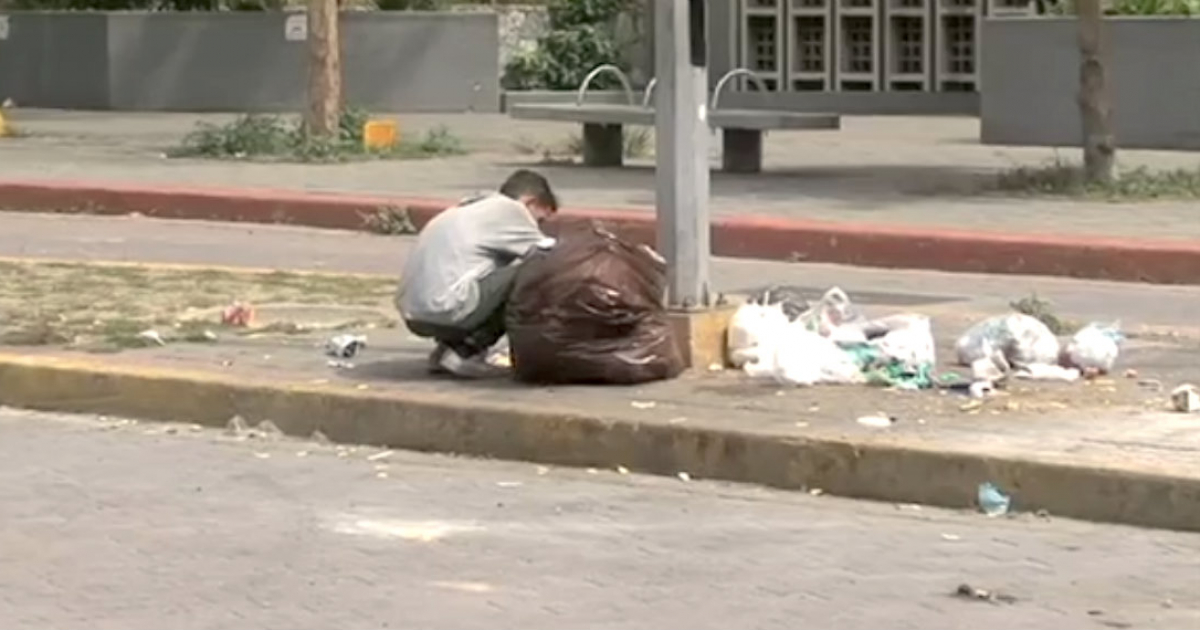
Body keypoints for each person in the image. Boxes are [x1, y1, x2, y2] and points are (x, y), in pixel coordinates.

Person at [397, 169, 558, 378]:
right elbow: (552, 255)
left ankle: (445, 351)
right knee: (535, 270)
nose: (536, 226)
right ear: (529, 202)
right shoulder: (509, 211)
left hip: (415, 314)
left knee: (484, 274)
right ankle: (465, 352)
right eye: (540, 220)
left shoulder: (466, 209)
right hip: (446, 309)